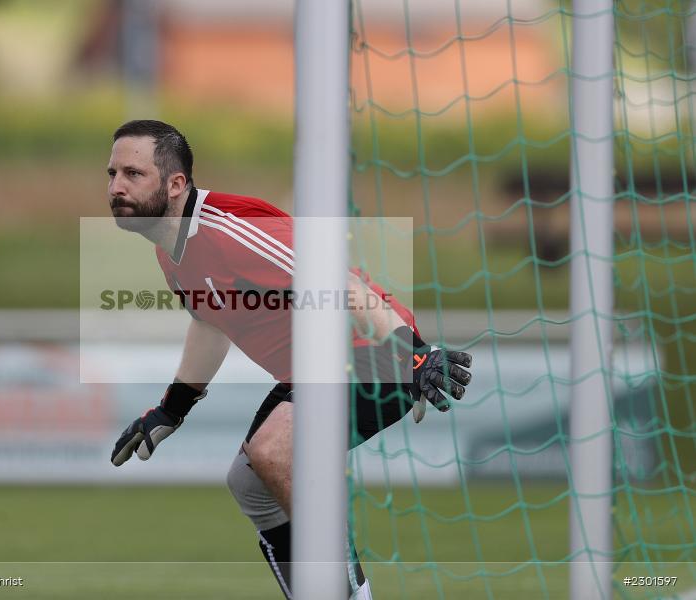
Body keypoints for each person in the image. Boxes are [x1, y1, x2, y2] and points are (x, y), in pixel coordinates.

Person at [106, 120, 473, 599]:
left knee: (274, 451)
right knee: (248, 482)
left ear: (176, 185)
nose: (116, 187)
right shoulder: (169, 251)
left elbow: (341, 283)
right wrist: (171, 410)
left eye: (133, 174)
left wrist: (416, 356)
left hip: (376, 352)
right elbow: (211, 323)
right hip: (317, 370)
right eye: (112, 173)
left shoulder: (229, 229)